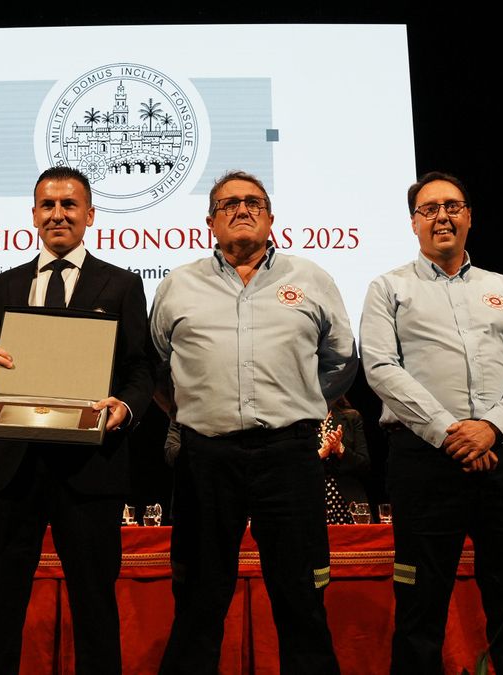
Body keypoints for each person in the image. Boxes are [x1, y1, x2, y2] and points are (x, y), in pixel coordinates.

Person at [152, 170, 358, 674]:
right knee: (198, 602)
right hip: (205, 457)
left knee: (302, 601)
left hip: (289, 457)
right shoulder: (178, 284)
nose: (241, 210)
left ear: (270, 219)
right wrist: (193, 411)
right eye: (228, 204)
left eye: (253, 202)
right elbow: (156, 367)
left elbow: (341, 360)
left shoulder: (311, 279)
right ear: (209, 223)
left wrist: (301, 399)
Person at [361, 171, 503, 674]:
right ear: (413, 223)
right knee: (420, 606)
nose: (442, 215)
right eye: (429, 209)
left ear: (469, 217)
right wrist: (451, 431)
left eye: (452, 206)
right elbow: (380, 368)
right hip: (423, 460)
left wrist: (491, 428)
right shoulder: (388, 288)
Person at [0, 166, 154, 675]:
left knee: (95, 608)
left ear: (90, 215)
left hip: (90, 468)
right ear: (33, 215)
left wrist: (125, 406)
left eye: (69, 205)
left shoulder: (121, 284)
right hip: (11, 470)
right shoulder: (3, 284)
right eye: (47, 205)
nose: (58, 214)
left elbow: (141, 368)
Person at [317, 395, 371, 524]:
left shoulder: (351, 417)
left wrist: (340, 449)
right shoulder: (301, 422)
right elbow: (292, 468)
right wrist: (320, 454)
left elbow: (364, 465)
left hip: (347, 502)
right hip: (313, 502)